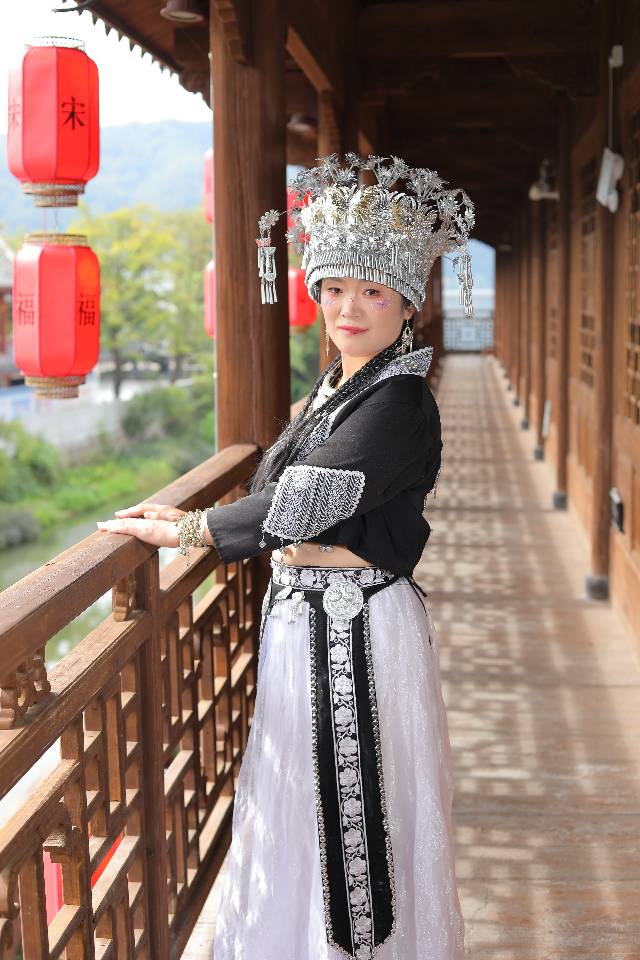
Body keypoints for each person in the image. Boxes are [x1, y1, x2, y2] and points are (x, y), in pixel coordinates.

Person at [96, 153, 474, 960]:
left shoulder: (400, 400)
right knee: (303, 808)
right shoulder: (337, 387)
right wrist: (209, 519)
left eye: (373, 293)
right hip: (309, 625)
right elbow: (276, 485)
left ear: (408, 303)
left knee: (354, 828)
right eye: (334, 289)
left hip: (356, 635)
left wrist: (193, 531)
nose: (349, 308)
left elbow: (308, 500)